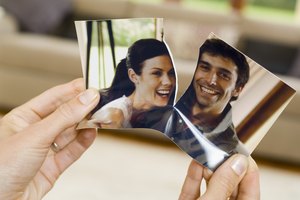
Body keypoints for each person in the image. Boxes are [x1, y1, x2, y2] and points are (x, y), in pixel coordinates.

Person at [0, 79, 259, 199]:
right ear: (135, 77)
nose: (167, 83)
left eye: (169, 75)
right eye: (157, 73)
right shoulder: (117, 110)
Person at [132, 38, 250, 171]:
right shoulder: (159, 105)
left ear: (237, 89)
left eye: (223, 75)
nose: (211, 80)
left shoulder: (234, 155)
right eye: (205, 68)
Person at [87, 38, 176, 129]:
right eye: (157, 73)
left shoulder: (158, 114)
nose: (168, 81)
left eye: (171, 73)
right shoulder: (115, 113)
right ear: (133, 76)